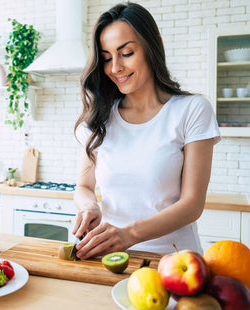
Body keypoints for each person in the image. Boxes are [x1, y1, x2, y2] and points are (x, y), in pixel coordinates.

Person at [72, 2, 221, 260]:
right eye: (106, 58)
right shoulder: (99, 118)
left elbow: (192, 204)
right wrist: (89, 207)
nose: (115, 67)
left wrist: (128, 234)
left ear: (155, 46)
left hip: (174, 261)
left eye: (126, 53)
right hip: (109, 259)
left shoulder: (191, 110)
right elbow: (84, 186)